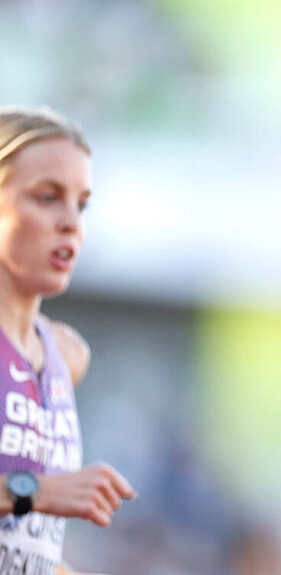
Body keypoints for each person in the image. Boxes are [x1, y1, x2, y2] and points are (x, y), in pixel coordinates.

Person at [0, 106, 137, 575]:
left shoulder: (66, 354)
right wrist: (34, 491)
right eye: (47, 197)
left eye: (81, 205)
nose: (71, 223)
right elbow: (37, 498)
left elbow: (25, 547)